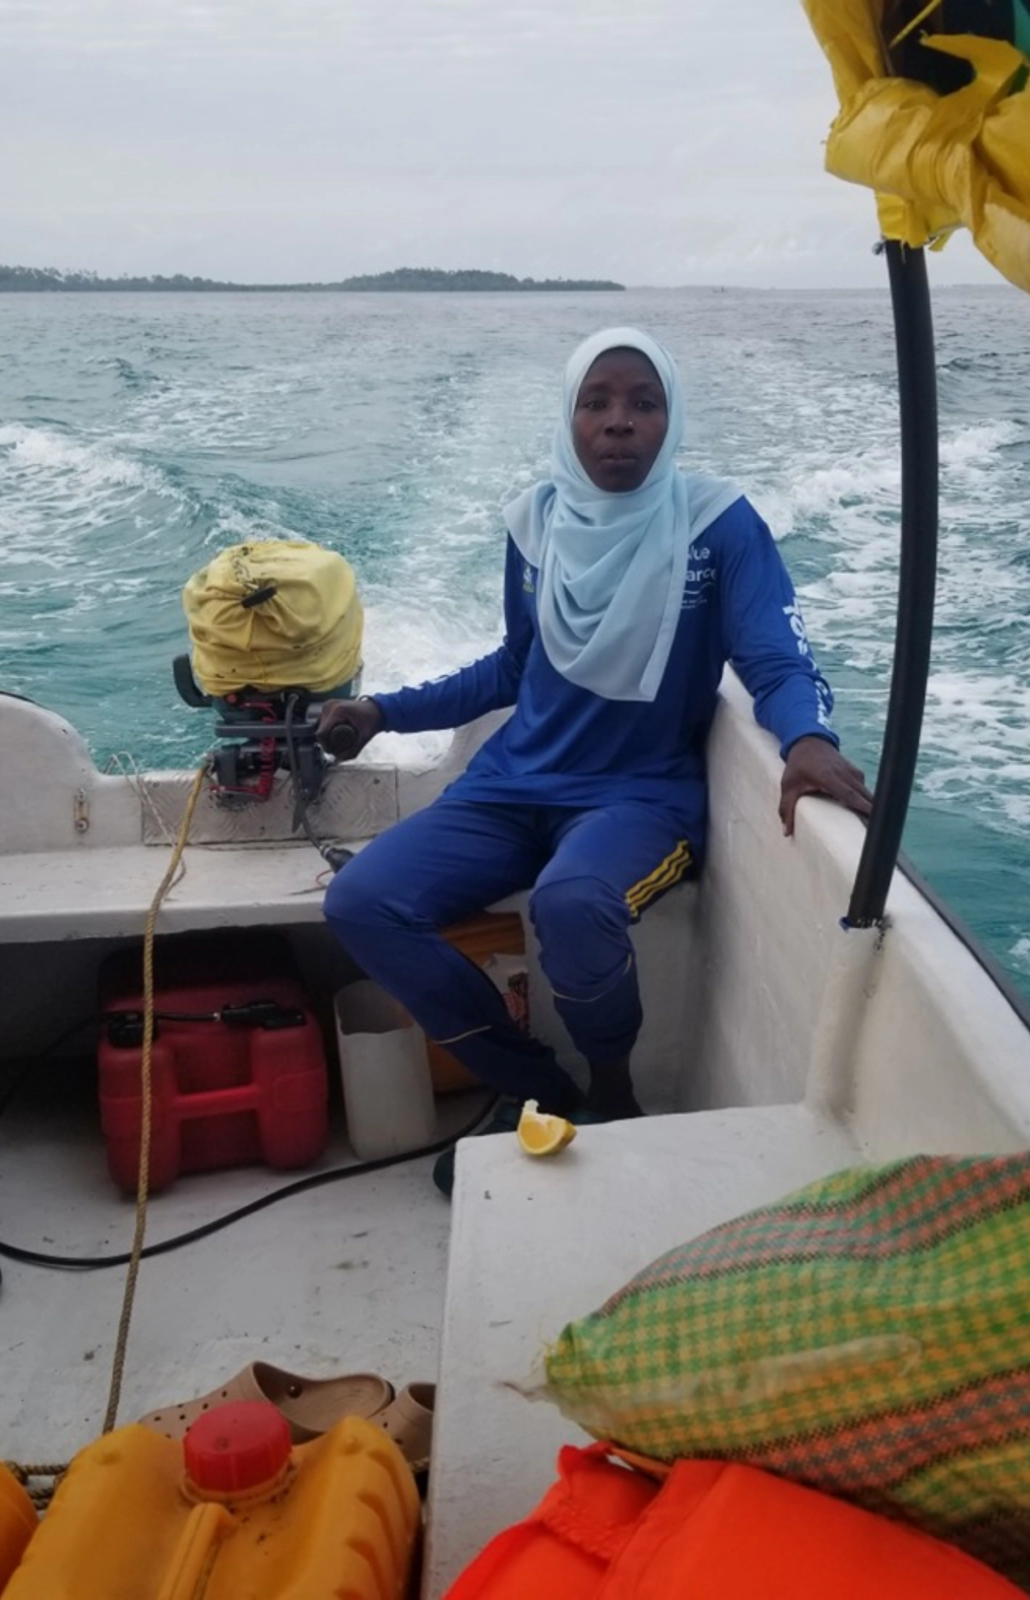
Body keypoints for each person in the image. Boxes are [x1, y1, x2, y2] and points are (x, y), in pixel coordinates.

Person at [319, 328, 871, 1189]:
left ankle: (613, 1093)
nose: (619, 423)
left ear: (670, 419)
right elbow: (511, 666)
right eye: (597, 402)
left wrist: (806, 739)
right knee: (362, 901)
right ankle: (534, 1085)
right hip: (512, 784)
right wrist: (382, 711)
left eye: (642, 404)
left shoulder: (717, 525)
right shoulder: (536, 523)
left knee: (574, 904)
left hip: (640, 797)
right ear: (570, 418)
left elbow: (774, 655)